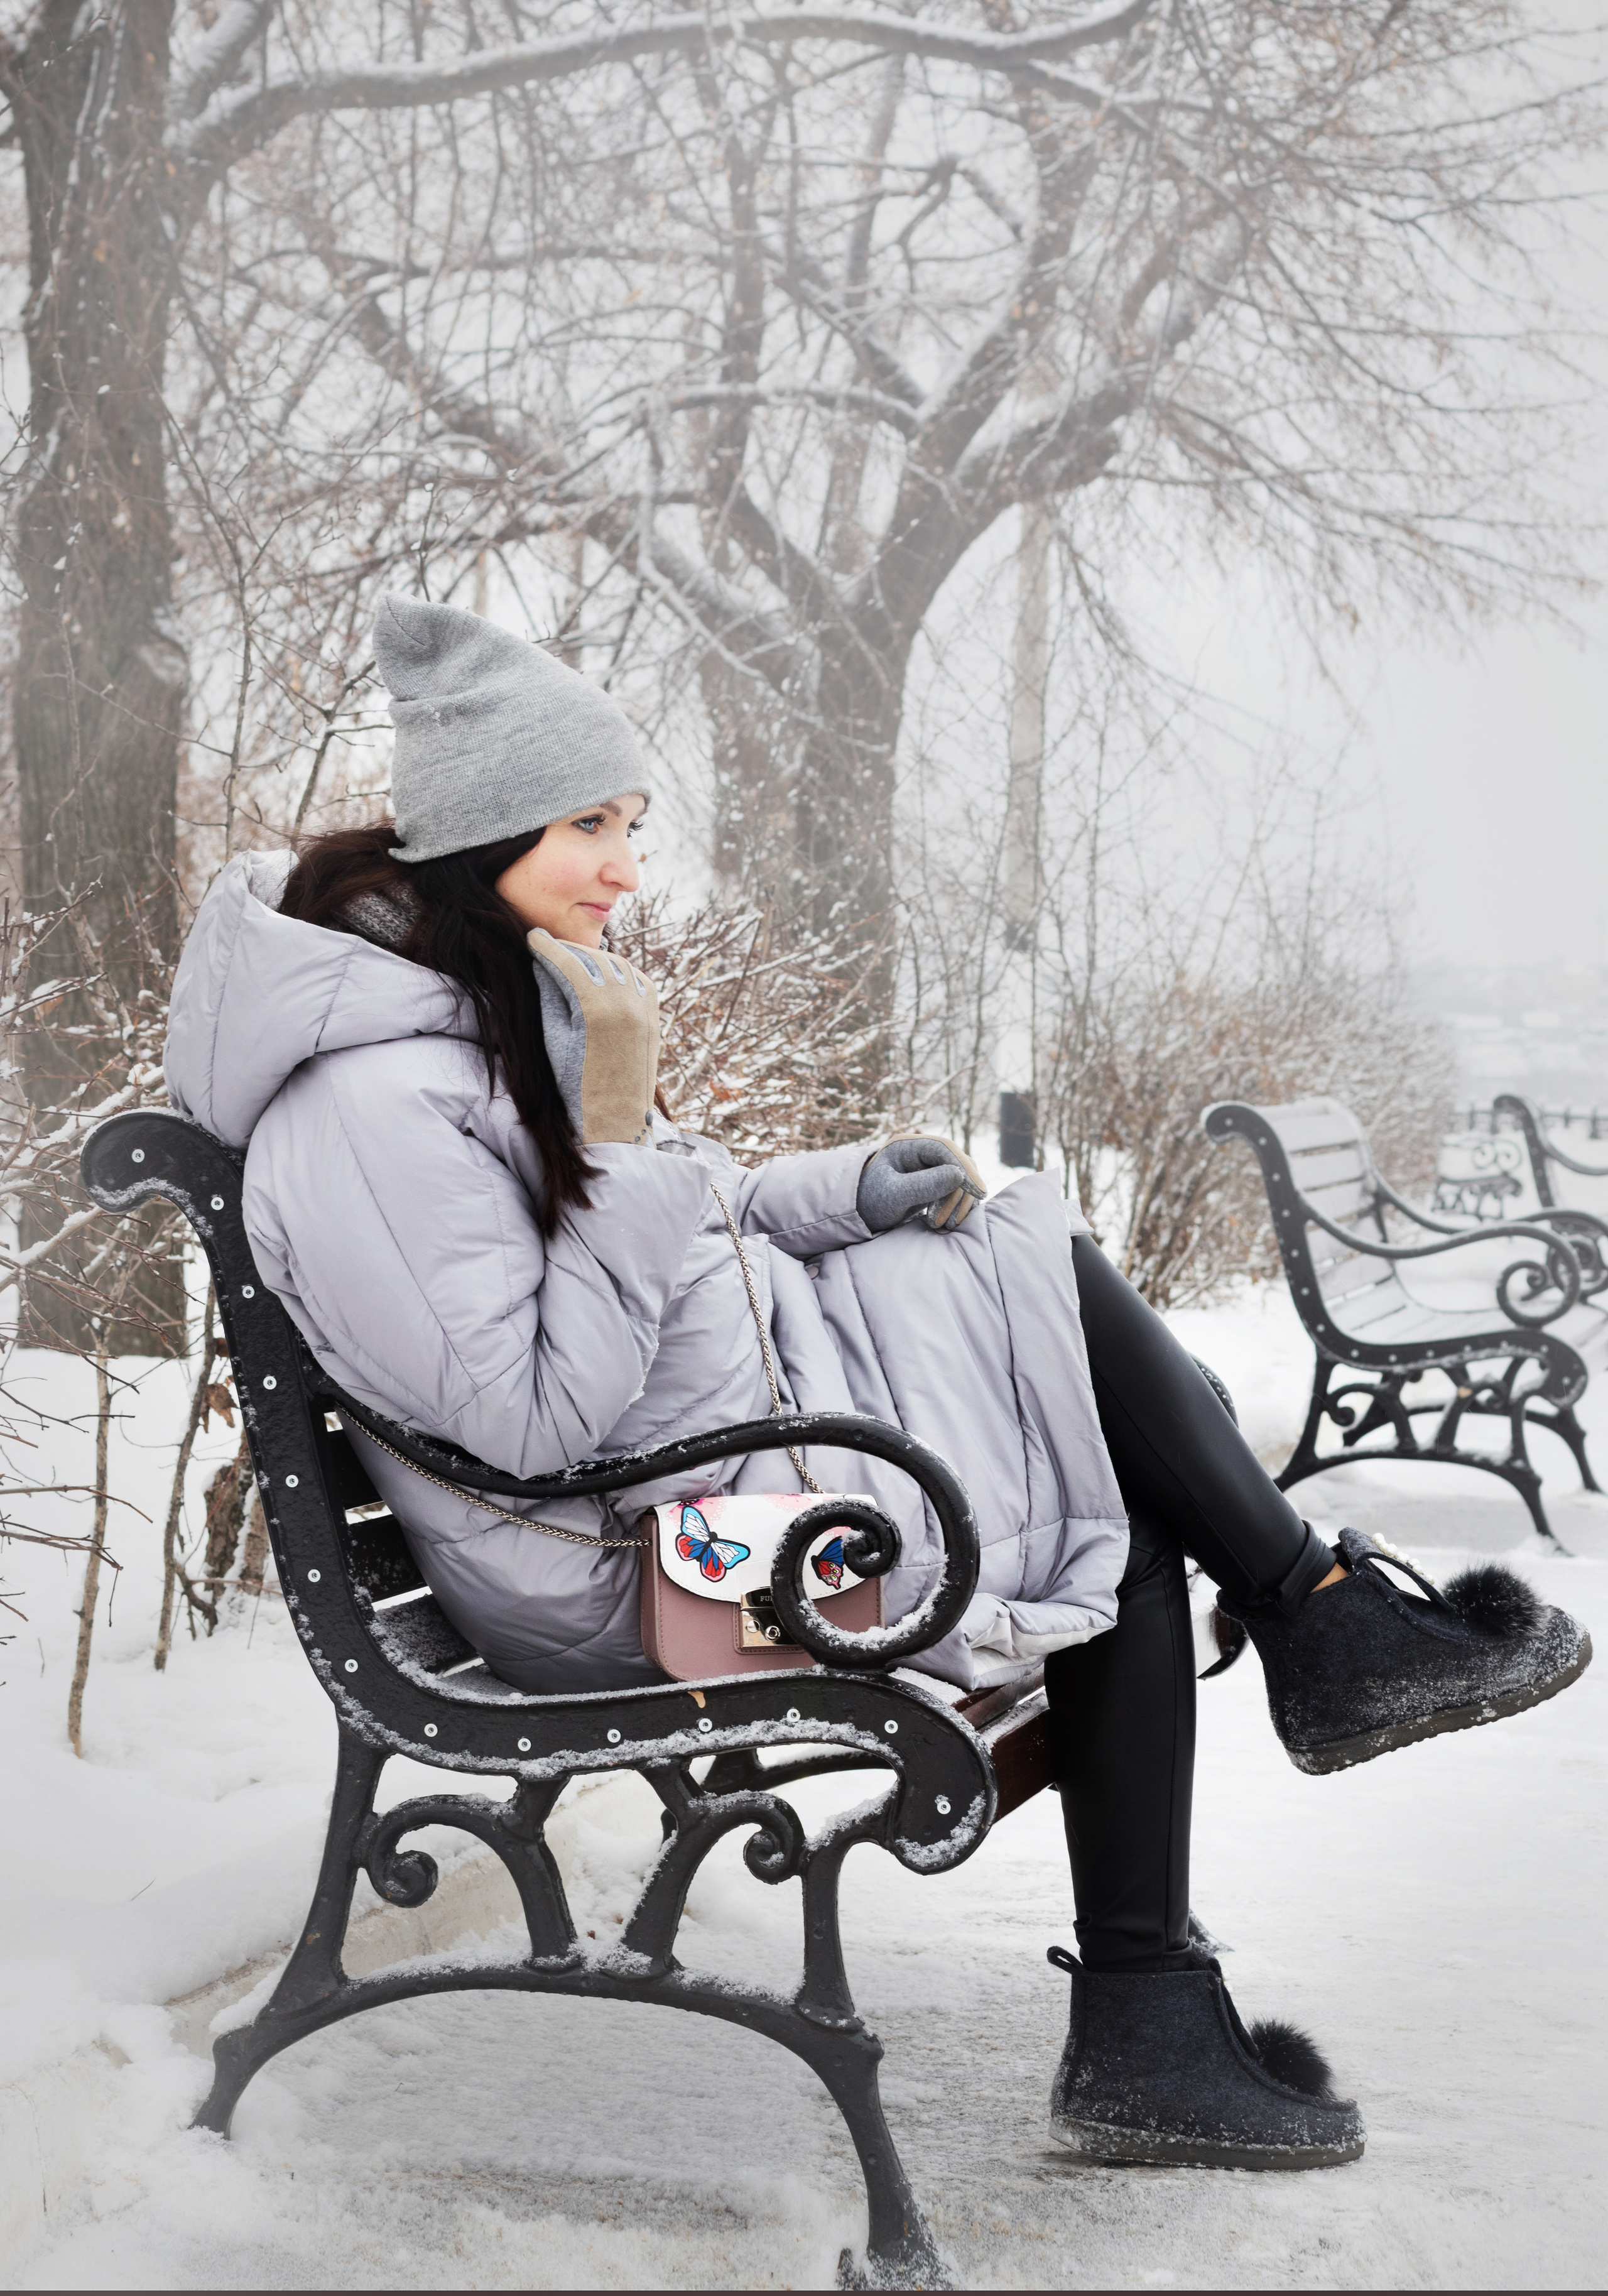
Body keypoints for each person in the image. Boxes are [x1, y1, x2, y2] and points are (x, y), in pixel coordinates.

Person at [163, 596, 1591, 2174]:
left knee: (1036, 1299)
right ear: (481, 831)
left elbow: (661, 1236)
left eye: (628, 825)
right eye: (591, 825)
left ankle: (1199, 1911)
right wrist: (623, 1121)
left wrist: (844, 1192)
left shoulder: (460, 1029)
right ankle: (1272, 1726)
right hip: (641, 1582)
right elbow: (529, 1424)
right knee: (1077, 1413)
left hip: (700, 1505)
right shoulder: (369, 1106)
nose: (627, 868)